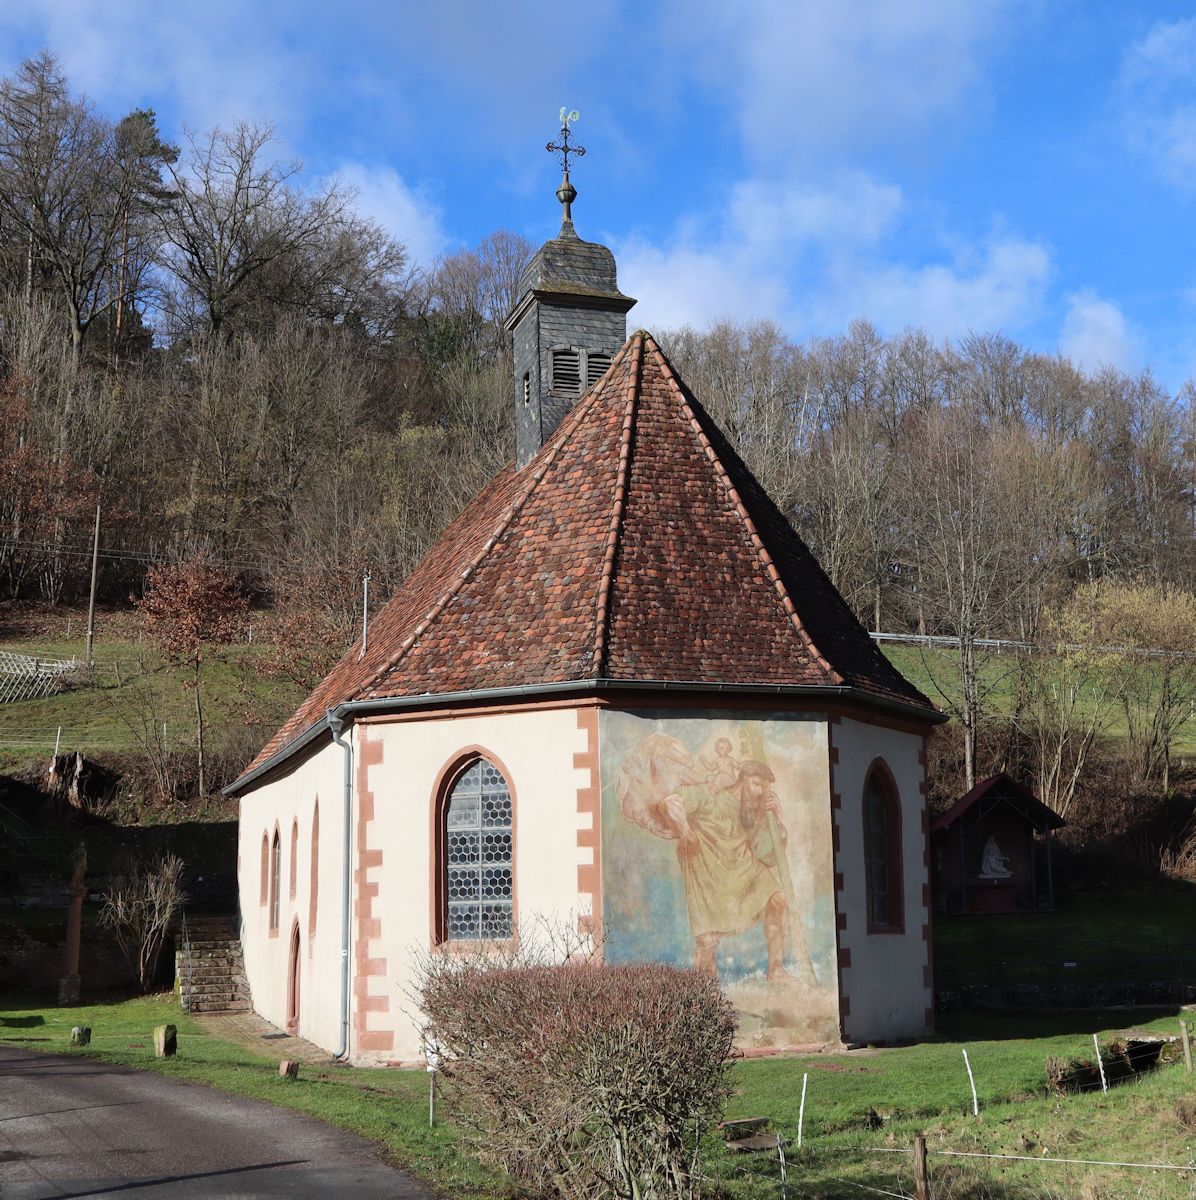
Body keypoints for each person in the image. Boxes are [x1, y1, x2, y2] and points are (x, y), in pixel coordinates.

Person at [617, 735, 816, 984]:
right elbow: (670, 804)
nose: (761, 792)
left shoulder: (750, 815)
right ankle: (705, 994)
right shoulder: (708, 794)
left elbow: (766, 853)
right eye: (757, 784)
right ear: (743, 781)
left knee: (777, 900)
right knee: (707, 941)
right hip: (708, 874)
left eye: (765, 788)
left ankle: (775, 970)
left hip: (743, 868)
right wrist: (686, 833)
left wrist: (777, 817)